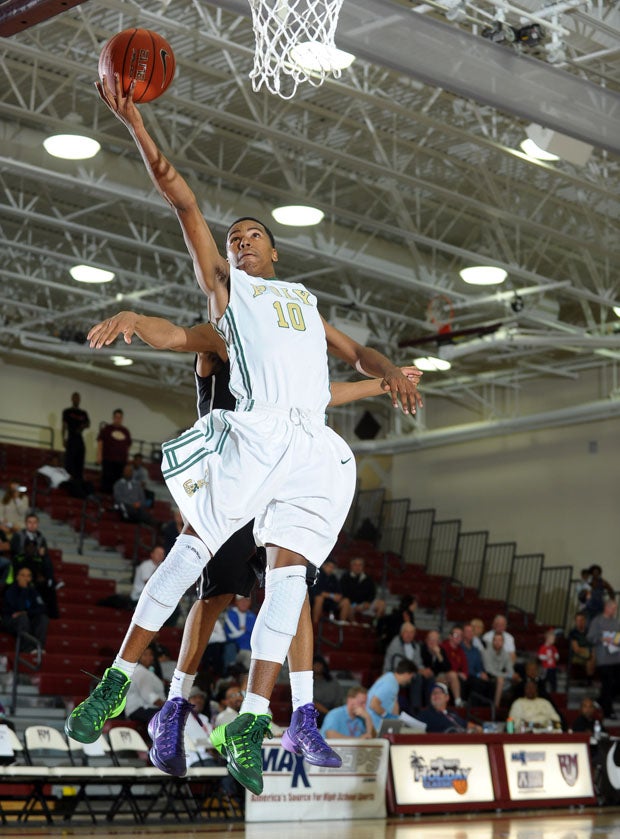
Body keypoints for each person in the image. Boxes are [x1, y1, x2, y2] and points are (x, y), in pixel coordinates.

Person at [68, 72, 421, 797]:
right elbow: (183, 206)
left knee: (292, 580)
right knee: (199, 557)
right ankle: (118, 682)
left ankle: (257, 720)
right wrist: (136, 124)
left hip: (309, 446)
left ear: (277, 253)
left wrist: (392, 372)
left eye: (254, 234)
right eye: (236, 237)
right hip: (248, 441)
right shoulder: (231, 297)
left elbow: (353, 358)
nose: (242, 239)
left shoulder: (299, 302)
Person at [74, 311, 418, 783]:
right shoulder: (222, 343)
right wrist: (137, 319)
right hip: (233, 482)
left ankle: (299, 715)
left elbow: (319, 397)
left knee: (293, 594)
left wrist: (381, 384)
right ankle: (174, 704)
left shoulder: (276, 366)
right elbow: (178, 336)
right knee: (212, 598)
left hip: (279, 487)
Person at [10, 513, 58, 618]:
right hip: (22, 564)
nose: (32, 525)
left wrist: (41, 554)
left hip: (36, 566)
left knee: (46, 563)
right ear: (26, 523)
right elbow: (15, 552)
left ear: (38, 524)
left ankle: (50, 581)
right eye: (30, 522)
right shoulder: (18, 535)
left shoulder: (41, 538)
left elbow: (44, 554)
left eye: (34, 522)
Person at [1, 566, 49, 652]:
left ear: (30, 578)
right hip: (10, 619)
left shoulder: (33, 591)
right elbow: (18, 608)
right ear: (17, 577)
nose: (25, 578)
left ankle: (38, 647)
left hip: (27, 618)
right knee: (23, 618)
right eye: (22, 575)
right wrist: (24, 590)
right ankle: (27, 649)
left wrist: (27, 612)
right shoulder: (10, 590)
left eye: (28, 576)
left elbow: (42, 608)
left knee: (43, 618)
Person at [587, 598, 620, 720]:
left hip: (616, 656)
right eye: (613, 608)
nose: (615, 611)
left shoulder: (616, 622)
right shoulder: (598, 621)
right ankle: (608, 710)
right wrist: (602, 638)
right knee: (607, 684)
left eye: (616, 608)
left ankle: (601, 700)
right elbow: (590, 637)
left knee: (617, 683)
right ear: (607, 607)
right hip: (604, 658)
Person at [382, 621, 423, 713]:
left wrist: (422, 670)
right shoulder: (395, 644)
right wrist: (417, 670)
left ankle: (427, 710)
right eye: (407, 632)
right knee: (417, 678)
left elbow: (418, 662)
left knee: (429, 678)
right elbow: (399, 666)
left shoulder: (416, 646)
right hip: (394, 674)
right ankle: (415, 709)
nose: (409, 635)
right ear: (402, 633)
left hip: (410, 673)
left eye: (412, 633)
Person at [366, 659, 417, 732]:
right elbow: (373, 704)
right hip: (374, 727)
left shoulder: (391, 678)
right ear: (407, 674)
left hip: (376, 725)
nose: (410, 681)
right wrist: (387, 716)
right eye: (411, 677)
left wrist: (396, 719)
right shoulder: (390, 684)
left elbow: (394, 705)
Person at [124, 646, 167, 725]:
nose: (149, 657)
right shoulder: (141, 672)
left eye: (151, 655)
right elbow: (148, 695)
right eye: (145, 655)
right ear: (139, 657)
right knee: (169, 717)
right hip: (139, 709)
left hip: (144, 708)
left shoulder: (146, 671)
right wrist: (166, 706)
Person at [416, 683, 482, 733]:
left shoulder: (452, 713)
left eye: (439, 692)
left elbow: (466, 724)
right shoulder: (425, 714)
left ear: (447, 697)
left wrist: (477, 728)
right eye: (433, 693)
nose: (435, 695)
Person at [339, 556, 386, 623]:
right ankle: (352, 624)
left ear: (363, 567)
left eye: (360, 565)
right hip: (351, 604)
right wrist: (354, 605)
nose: (358, 567)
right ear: (351, 566)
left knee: (382, 603)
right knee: (346, 602)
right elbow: (344, 594)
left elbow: (372, 593)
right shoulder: (345, 578)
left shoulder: (368, 579)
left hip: (364, 604)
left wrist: (368, 602)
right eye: (355, 565)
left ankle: (375, 624)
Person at [97, 409, 132, 493]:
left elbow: (128, 445)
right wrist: (99, 455)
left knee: (118, 481)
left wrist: (126, 458)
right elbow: (100, 442)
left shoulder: (125, 431)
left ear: (122, 418)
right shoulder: (107, 429)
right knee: (107, 480)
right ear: (113, 418)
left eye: (120, 417)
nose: (118, 419)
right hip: (108, 459)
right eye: (116, 417)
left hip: (121, 461)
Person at [482, 630, 515, 709]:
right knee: (500, 680)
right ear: (492, 641)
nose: (497, 642)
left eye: (500, 640)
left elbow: (510, 670)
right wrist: (508, 675)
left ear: (503, 642)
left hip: (501, 676)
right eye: (495, 640)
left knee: (517, 679)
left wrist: (511, 675)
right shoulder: (486, 652)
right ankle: (496, 707)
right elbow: (489, 670)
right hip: (488, 676)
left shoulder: (505, 654)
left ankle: (513, 708)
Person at [222, 595, 256, 670]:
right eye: (241, 600)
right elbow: (232, 635)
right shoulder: (229, 614)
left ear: (250, 603)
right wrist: (246, 630)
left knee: (252, 657)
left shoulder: (252, 616)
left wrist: (243, 630)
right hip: (234, 649)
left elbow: (255, 635)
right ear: (236, 602)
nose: (244, 603)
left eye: (246, 600)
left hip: (249, 649)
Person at [62, 392, 90, 479]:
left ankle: (78, 481)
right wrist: (63, 438)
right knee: (69, 463)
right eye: (74, 398)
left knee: (79, 463)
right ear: (72, 399)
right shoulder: (67, 411)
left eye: (77, 398)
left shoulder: (83, 413)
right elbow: (64, 425)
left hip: (79, 440)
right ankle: (68, 481)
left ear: (79, 400)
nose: (76, 399)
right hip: (71, 439)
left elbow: (88, 423)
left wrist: (82, 427)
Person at [309, 557, 344, 626]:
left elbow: (339, 592)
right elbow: (316, 590)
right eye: (329, 566)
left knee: (346, 602)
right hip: (313, 600)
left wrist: (337, 596)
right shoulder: (317, 574)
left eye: (333, 567)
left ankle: (342, 626)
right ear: (324, 565)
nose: (331, 569)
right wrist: (331, 595)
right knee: (319, 598)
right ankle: (315, 624)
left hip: (329, 602)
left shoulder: (333, 577)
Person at [312, 654, 344, 726]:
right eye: (315, 664)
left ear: (324, 666)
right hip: (316, 711)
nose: (317, 666)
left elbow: (339, 699)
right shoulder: (308, 681)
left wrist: (335, 712)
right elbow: (312, 702)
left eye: (320, 664)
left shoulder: (333, 681)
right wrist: (329, 713)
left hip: (333, 709)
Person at [441, 625, 469, 707]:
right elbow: (445, 666)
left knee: (466, 679)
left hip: (454, 675)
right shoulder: (443, 647)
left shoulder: (460, 650)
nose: (459, 637)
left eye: (461, 636)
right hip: (443, 674)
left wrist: (464, 674)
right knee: (453, 675)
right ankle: (458, 701)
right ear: (450, 636)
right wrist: (458, 673)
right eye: (456, 635)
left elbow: (465, 666)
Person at [568, 611, 595, 678]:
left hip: (589, 654)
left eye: (581, 620)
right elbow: (576, 649)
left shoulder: (589, 632)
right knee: (591, 656)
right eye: (577, 620)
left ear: (584, 621)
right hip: (576, 656)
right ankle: (590, 680)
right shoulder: (573, 633)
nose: (579, 622)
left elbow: (593, 644)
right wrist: (589, 651)